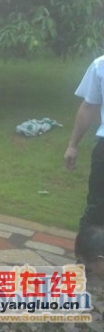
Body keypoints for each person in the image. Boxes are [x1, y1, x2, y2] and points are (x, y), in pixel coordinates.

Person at [64, 56, 104, 260]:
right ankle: (86, 260)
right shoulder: (100, 65)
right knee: (97, 207)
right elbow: (88, 106)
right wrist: (72, 145)